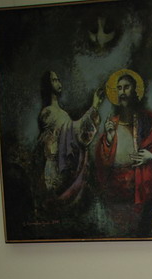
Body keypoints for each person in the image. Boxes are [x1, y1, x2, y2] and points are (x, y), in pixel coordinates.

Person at [95, 69, 152, 234]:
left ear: (136, 91)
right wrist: (109, 138)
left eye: (126, 87)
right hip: (115, 191)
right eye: (119, 88)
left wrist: (151, 155)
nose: (122, 92)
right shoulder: (112, 123)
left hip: (138, 187)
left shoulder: (149, 120)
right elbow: (101, 159)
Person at [37, 71, 103, 206]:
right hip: (55, 166)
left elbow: (71, 132)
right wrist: (94, 107)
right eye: (54, 80)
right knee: (55, 201)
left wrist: (94, 108)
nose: (58, 83)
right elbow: (72, 130)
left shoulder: (62, 113)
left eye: (58, 79)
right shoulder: (47, 112)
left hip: (64, 164)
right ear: (47, 85)